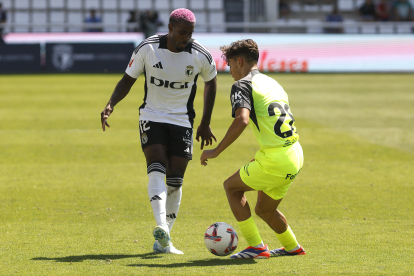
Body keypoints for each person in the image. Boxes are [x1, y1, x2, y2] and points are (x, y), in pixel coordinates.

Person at [101, 8, 217, 254]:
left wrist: (205, 122)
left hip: (183, 120)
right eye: (182, 32)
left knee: (176, 179)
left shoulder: (200, 55)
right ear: (170, 28)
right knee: (155, 165)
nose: (186, 37)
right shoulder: (148, 48)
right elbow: (127, 79)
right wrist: (111, 104)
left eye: (191, 33)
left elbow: (211, 82)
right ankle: (161, 225)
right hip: (151, 115)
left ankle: (164, 240)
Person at [201, 39, 305, 259]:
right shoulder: (272, 82)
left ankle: (257, 247)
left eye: (229, 65)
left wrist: (216, 150)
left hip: (275, 159)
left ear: (239, 61)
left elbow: (242, 120)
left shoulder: (242, 85)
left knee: (231, 188)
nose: (229, 71)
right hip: (294, 154)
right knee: (264, 209)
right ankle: (292, 247)